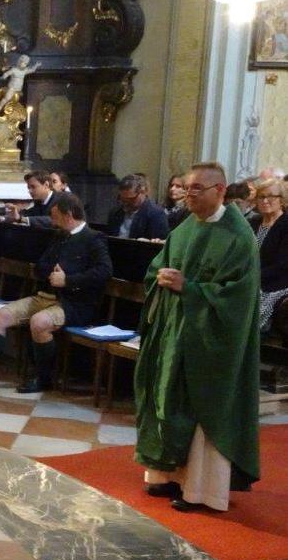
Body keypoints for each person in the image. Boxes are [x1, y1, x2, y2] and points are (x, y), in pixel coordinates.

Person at [135, 162, 260, 512]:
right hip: (175, 333)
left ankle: (202, 491)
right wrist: (159, 277)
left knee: (201, 408)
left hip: (209, 341)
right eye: (186, 188)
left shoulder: (238, 237)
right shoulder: (186, 227)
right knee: (167, 399)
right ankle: (166, 475)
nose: (187, 196)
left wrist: (188, 288)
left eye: (196, 189)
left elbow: (238, 297)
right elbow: (156, 267)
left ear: (219, 190)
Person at [0, 193, 112, 393]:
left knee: (39, 322)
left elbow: (104, 272)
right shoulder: (59, 236)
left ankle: (43, 378)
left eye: (55, 216)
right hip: (43, 296)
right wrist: (48, 272)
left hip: (72, 303)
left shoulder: (93, 238)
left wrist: (68, 280)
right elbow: (41, 265)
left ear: (68, 215)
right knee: (0, 315)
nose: (52, 221)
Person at [253, 178, 288, 332]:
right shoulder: (252, 222)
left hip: (275, 284)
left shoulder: (286, 224)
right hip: (247, 279)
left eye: (271, 196)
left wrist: (252, 276)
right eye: (261, 196)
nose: (265, 200)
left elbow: (282, 265)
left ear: (282, 200)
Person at [106, 173, 168, 240]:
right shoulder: (115, 212)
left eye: (131, 199)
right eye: (123, 199)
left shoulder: (156, 214)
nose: (126, 203)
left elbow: (159, 242)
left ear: (142, 192)